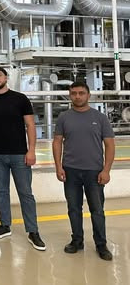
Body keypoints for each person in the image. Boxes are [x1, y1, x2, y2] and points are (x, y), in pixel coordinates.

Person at [0, 66, 46, 251]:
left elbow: (30, 125)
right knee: (1, 191)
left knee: (25, 193)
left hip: (19, 154)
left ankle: (33, 231)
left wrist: (31, 150)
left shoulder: (20, 99)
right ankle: (5, 225)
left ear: (6, 77)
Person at [52, 82, 115, 261]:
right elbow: (57, 141)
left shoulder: (100, 118)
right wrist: (58, 166)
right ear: (70, 95)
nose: (77, 96)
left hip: (94, 172)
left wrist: (106, 170)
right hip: (70, 171)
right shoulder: (64, 117)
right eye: (74, 93)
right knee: (73, 208)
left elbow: (110, 145)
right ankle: (77, 240)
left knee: (97, 210)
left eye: (81, 93)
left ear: (88, 95)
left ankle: (101, 244)